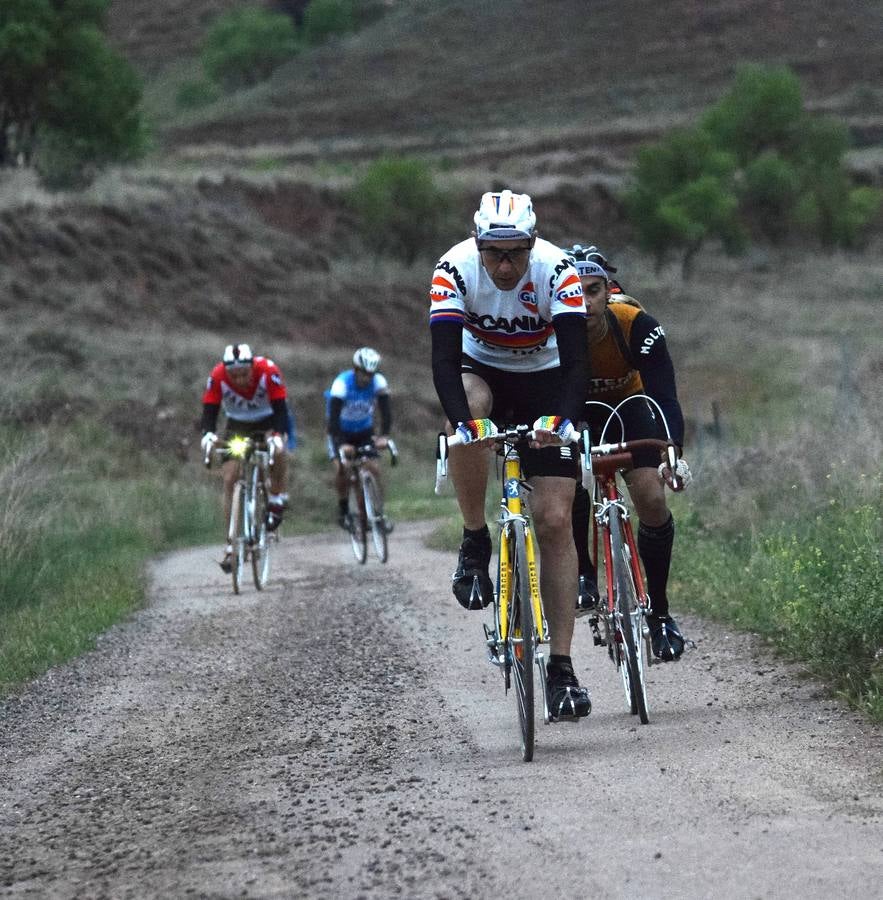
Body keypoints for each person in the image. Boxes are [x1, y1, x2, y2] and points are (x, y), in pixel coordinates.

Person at [429, 189, 592, 721]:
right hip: (483, 374)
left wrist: (561, 421)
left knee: (553, 520)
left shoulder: (557, 270)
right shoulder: (453, 269)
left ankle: (562, 670)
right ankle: (476, 538)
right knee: (468, 415)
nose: (504, 265)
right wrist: (467, 425)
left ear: (533, 243)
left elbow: (576, 364)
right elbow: (444, 361)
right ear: (476, 243)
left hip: (548, 380)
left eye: (515, 252)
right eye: (493, 252)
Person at [565, 244, 692, 661]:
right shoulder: (549, 328)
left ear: (608, 291)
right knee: (566, 482)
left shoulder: (635, 323)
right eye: (574, 291)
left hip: (629, 405)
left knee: (653, 500)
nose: (584, 303)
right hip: (575, 411)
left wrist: (672, 450)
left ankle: (659, 613)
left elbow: (665, 398)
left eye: (593, 291)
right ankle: (584, 572)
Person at [200, 343, 291, 572]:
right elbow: (210, 409)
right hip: (237, 425)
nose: (240, 379)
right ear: (226, 371)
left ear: (253, 367)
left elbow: (281, 409)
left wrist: (277, 436)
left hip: (268, 420)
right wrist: (208, 435)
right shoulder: (218, 375)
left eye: (244, 373)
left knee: (278, 451)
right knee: (230, 478)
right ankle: (231, 544)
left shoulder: (269, 371)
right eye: (234, 375)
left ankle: (276, 498)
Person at [327, 347, 393, 531]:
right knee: (343, 468)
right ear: (356, 369)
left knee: (374, 469)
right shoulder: (341, 384)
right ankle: (343, 512)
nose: (367, 378)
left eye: (371, 374)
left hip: (364, 432)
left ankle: (379, 514)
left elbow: (386, 413)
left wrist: (384, 436)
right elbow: (332, 420)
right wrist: (341, 444)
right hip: (340, 432)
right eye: (364, 373)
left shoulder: (379, 382)